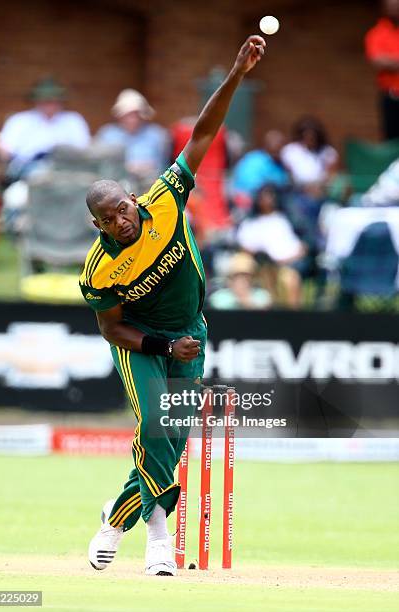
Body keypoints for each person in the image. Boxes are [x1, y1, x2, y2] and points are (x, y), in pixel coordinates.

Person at [79, 35, 266, 577]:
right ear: (99, 225)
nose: (122, 221)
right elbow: (112, 329)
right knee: (157, 426)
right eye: (109, 219)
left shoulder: (162, 199)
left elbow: (205, 131)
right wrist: (161, 345)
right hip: (142, 342)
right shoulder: (98, 269)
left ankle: (115, 518)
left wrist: (235, 73)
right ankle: (159, 536)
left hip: (191, 331)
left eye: (123, 208)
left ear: (132, 199)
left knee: (172, 437)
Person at [0, 77, 90, 180]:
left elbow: (84, 150)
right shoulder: (20, 120)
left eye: (53, 100)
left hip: (66, 174)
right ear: (36, 100)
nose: (49, 104)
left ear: (60, 101)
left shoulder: (74, 120)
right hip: (26, 173)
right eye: (45, 100)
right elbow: (6, 150)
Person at [236, 184, 306, 307]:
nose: (268, 200)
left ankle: (294, 320)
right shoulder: (250, 222)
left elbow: (300, 247)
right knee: (240, 265)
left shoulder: (283, 220)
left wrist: (285, 259)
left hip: (283, 265)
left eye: (270, 196)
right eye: (264, 196)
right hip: (258, 265)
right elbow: (245, 247)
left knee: (290, 279)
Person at [94, 89, 170, 191]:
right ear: (120, 116)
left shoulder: (156, 135)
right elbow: (99, 166)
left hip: (148, 188)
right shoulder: (107, 134)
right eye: (128, 115)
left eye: (135, 114)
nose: (132, 119)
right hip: (114, 189)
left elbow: (162, 166)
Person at [365, 0, 399, 140]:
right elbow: (378, 61)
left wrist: (392, 61)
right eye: (391, 6)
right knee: (392, 141)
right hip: (392, 98)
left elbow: (387, 61)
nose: (395, 9)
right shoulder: (377, 33)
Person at [230, 129, 289, 209]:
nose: (278, 146)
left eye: (281, 144)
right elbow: (249, 186)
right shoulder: (254, 160)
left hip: (274, 203)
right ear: (266, 144)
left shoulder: (281, 163)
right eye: (275, 143)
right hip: (249, 203)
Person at [208, 251, 272, 309]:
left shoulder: (261, 296)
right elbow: (217, 304)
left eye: (246, 276)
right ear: (230, 278)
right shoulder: (220, 296)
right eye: (237, 276)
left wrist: (245, 300)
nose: (242, 280)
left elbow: (265, 304)